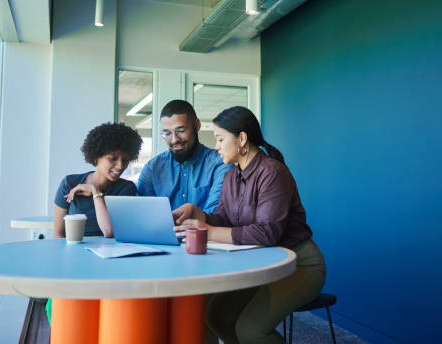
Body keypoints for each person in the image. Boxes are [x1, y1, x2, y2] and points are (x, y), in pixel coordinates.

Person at [172, 106, 326, 344]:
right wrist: (200, 214)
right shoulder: (230, 177)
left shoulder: (273, 173)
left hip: (299, 264)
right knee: (216, 316)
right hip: (261, 263)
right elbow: (223, 218)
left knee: (250, 330)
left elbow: (267, 233)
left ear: (241, 138)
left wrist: (209, 231)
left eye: (221, 139)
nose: (216, 146)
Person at [137, 99, 232, 212]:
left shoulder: (220, 163)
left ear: (197, 125)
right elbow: (142, 213)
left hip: (205, 230)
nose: (174, 139)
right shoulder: (152, 168)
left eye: (181, 130)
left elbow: (217, 214)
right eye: (167, 133)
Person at [53, 122, 142, 238]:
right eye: (112, 159)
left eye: (125, 160)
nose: (120, 166)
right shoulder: (70, 184)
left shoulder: (126, 189)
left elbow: (109, 231)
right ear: (96, 157)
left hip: (112, 253)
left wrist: (95, 192)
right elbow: (58, 234)